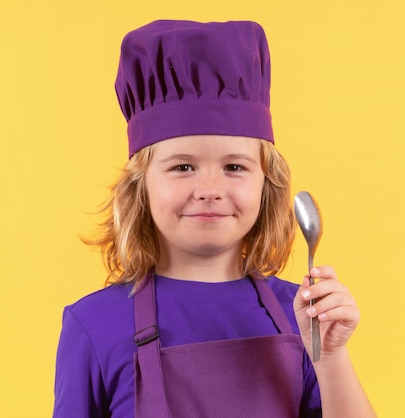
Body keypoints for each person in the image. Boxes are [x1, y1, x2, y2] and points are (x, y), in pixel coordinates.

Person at [53, 19, 376, 418]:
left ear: (266, 183)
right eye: (183, 167)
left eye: (235, 167)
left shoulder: (302, 312)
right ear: (141, 186)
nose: (210, 188)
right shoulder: (93, 324)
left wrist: (330, 356)